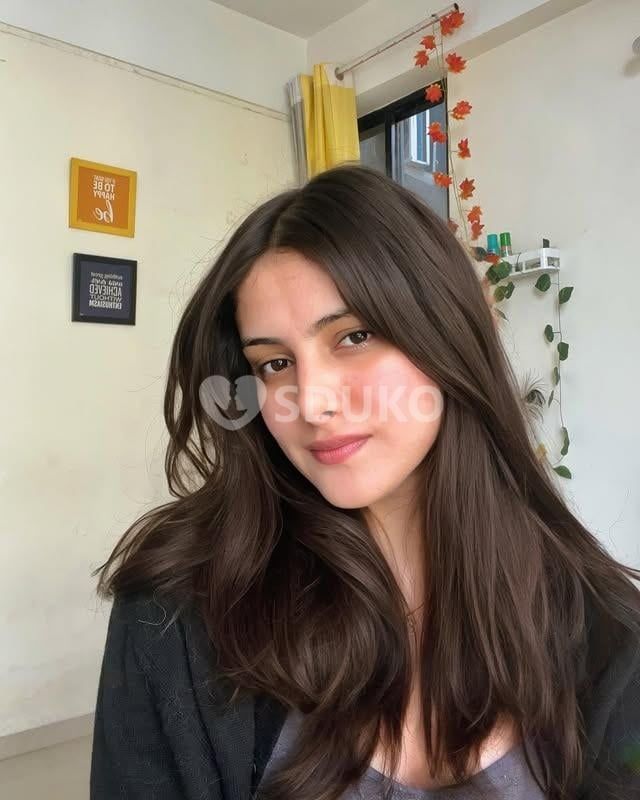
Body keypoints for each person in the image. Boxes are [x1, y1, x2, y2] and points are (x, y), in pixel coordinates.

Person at [89, 164, 640, 800]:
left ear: (449, 335)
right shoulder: (176, 612)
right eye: (274, 363)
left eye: (353, 336)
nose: (311, 401)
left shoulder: (606, 637)